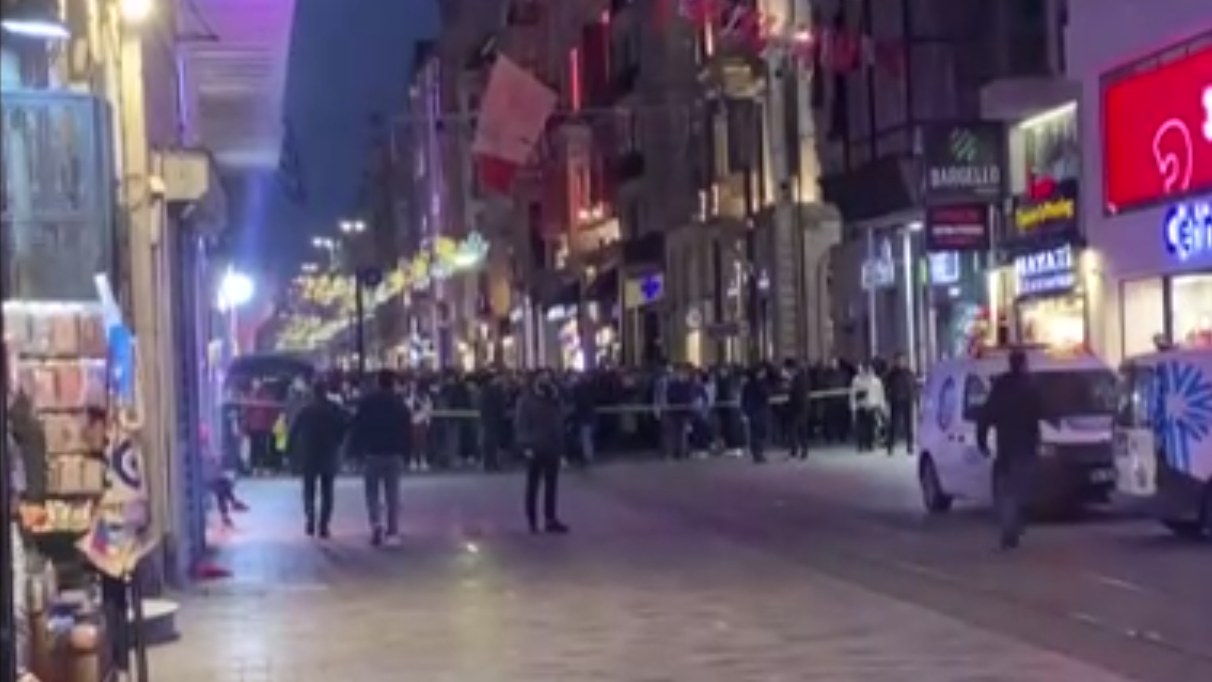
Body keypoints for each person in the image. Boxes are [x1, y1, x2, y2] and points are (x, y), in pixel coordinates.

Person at [977, 349, 1044, 550]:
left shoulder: (1001, 387)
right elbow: (1042, 411)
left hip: (1006, 448)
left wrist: (982, 441)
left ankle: (1010, 529)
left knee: (1008, 492)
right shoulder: (1030, 387)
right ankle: (1013, 527)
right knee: (1021, 490)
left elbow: (986, 415)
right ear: (1023, 364)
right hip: (1025, 448)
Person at [346, 371, 411, 546]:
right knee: (393, 493)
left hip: (372, 452)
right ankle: (392, 531)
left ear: (378, 383)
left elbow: (358, 427)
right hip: (394, 452)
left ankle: (376, 524)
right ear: (393, 383)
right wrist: (407, 452)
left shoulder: (367, 402)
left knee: (371, 492)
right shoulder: (400, 403)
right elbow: (407, 428)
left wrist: (355, 451)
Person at [287, 380, 348, 538]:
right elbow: (345, 425)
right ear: (326, 391)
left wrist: (290, 450)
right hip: (329, 452)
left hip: (309, 453)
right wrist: (338, 440)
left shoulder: (306, 410)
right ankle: (324, 525)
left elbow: (294, 431)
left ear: (313, 392)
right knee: (327, 491)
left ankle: (310, 518)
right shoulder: (334, 408)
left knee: (309, 489)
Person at [514, 371, 569, 534]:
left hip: (552, 448)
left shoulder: (552, 398)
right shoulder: (525, 400)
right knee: (533, 486)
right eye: (542, 378)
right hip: (534, 448)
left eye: (548, 378)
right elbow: (521, 425)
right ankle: (532, 520)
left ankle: (550, 519)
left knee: (551, 486)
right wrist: (525, 446)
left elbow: (559, 420)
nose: (546, 381)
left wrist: (561, 449)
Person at [884, 353, 916, 456]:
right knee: (894, 425)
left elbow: (913, 387)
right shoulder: (891, 374)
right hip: (895, 402)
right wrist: (888, 398)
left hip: (908, 401)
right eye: (899, 360)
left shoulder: (909, 373)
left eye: (903, 360)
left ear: (905, 361)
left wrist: (914, 398)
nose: (901, 362)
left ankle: (910, 446)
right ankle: (890, 446)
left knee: (909, 425)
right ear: (895, 361)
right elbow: (886, 387)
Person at [850, 363, 885, 452]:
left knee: (871, 427)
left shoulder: (877, 381)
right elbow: (853, 394)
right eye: (868, 370)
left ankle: (870, 444)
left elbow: (880, 394)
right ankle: (860, 445)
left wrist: (881, 406)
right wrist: (853, 407)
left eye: (871, 370)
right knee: (861, 428)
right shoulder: (857, 380)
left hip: (872, 406)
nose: (869, 372)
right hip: (861, 406)